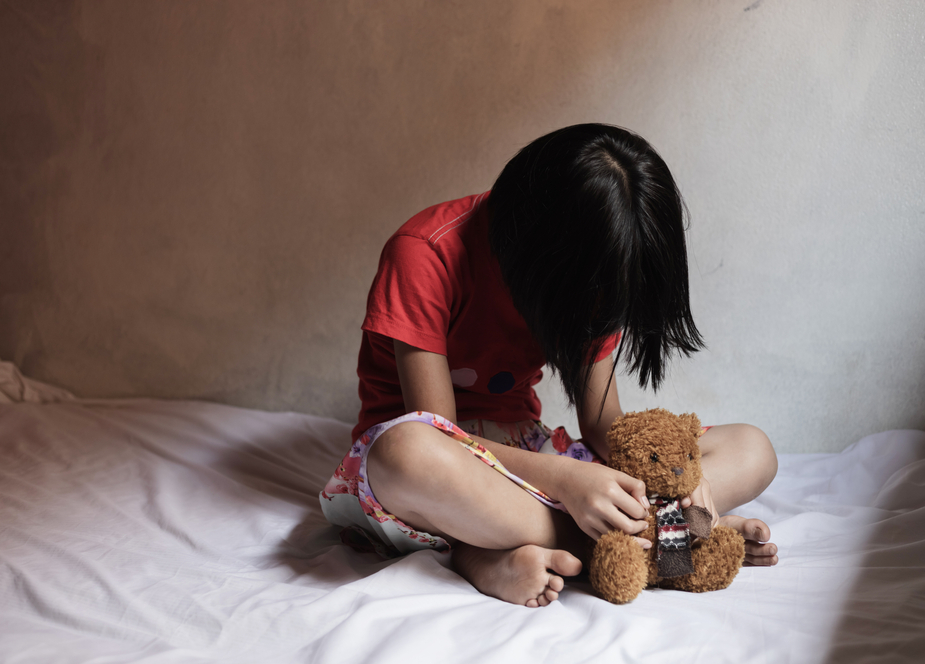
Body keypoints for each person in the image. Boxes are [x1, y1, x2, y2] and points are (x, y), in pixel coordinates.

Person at [320, 123, 778, 608]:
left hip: (528, 452)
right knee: (407, 455)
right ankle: (660, 540)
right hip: (446, 457)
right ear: (545, 260)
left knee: (753, 448)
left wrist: (683, 477)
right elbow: (438, 433)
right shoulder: (425, 254)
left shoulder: (595, 265)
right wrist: (565, 481)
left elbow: (603, 426)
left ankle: (532, 545)